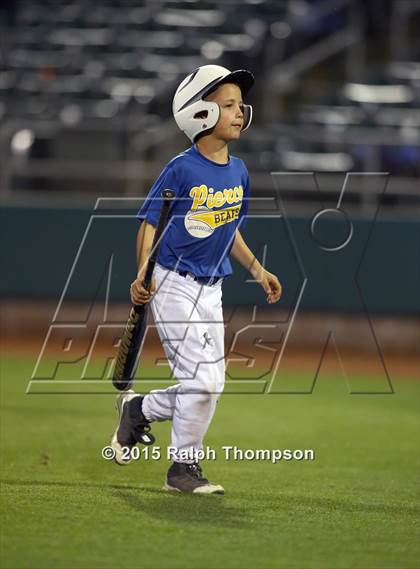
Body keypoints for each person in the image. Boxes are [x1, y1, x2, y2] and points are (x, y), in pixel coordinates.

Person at [111, 65, 282, 494]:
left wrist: (257, 270)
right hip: (173, 282)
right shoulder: (181, 169)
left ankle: (138, 409)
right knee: (202, 384)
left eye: (240, 104)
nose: (239, 111)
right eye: (227, 105)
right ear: (199, 113)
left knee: (211, 385)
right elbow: (149, 224)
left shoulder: (238, 171)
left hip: (213, 288)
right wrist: (142, 274)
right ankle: (181, 470)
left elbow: (229, 228)